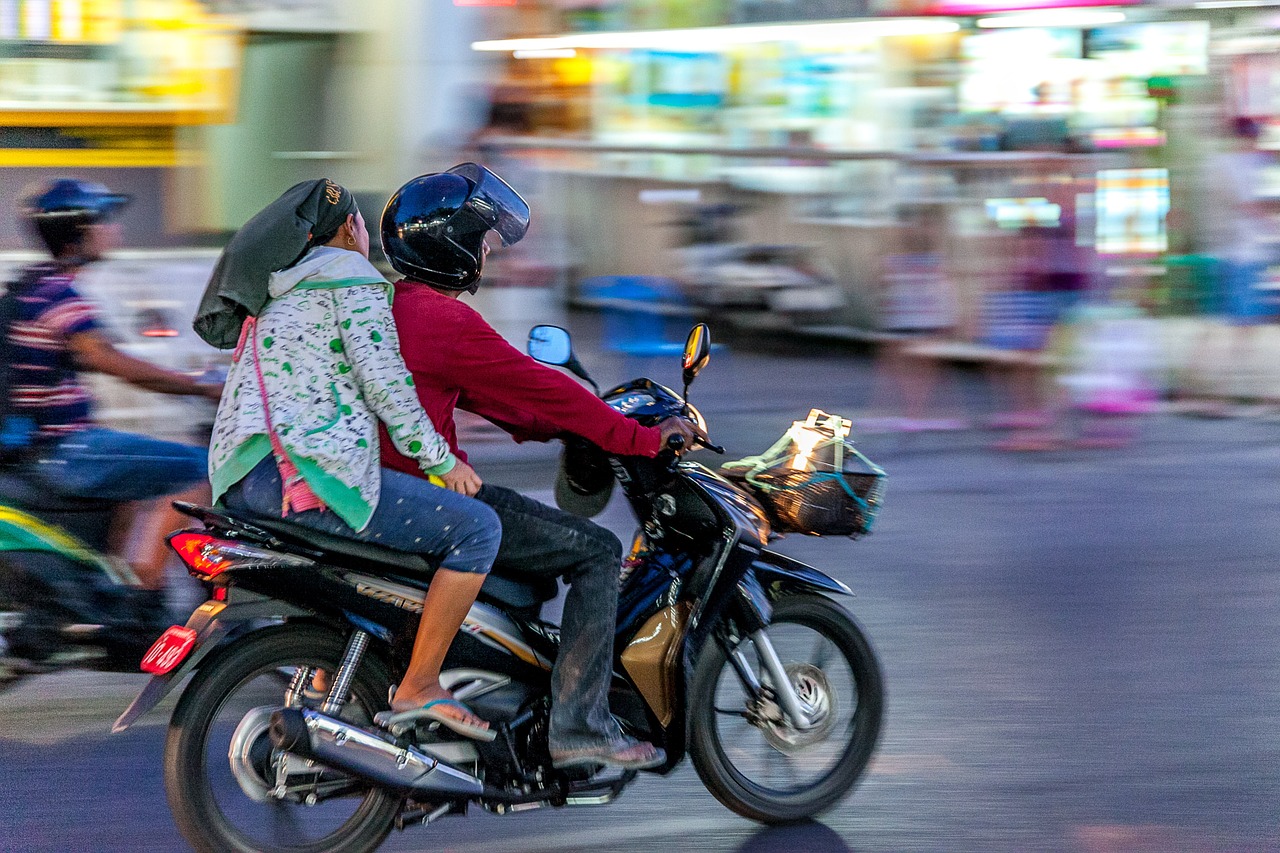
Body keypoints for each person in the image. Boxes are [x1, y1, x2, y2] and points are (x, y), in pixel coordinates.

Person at [377, 164, 702, 770]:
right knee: (598, 550)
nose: (490, 249)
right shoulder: (444, 320)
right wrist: (637, 438)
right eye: (483, 238)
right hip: (426, 496)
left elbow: (506, 400)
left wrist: (560, 426)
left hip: (391, 490)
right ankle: (579, 723)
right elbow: (538, 385)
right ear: (452, 244)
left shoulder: (394, 310)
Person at [204, 179, 501, 740]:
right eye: (363, 226)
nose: (368, 238)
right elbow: (386, 388)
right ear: (346, 231)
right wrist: (441, 462)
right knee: (477, 529)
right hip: (299, 478)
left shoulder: (279, 291)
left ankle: (325, 675)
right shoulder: (354, 281)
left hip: (240, 478)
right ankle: (420, 684)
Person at [6, 179, 221, 598]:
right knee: (200, 469)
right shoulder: (57, 294)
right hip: (67, 449)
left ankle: (114, 582)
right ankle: (137, 596)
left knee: (141, 467)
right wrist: (201, 388)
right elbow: (111, 361)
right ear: (81, 229)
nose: (114, 229)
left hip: (46, 446)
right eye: (106, 220)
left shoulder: (32, 286)